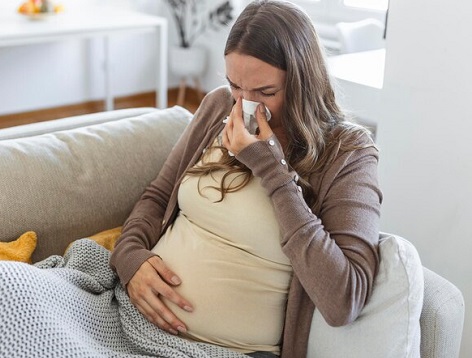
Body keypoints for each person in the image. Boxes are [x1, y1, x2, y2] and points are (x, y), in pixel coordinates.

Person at [110, 0, 382, 357]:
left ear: (304, 83)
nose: (245, 106)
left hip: (223, 350)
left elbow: (344, 299)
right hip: (125, 317)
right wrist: (131, 261)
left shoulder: (348, 151)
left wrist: (270, 168)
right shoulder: (218, 106)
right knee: (12, 291)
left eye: (265, 93)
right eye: (235, 85)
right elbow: (158, 195)